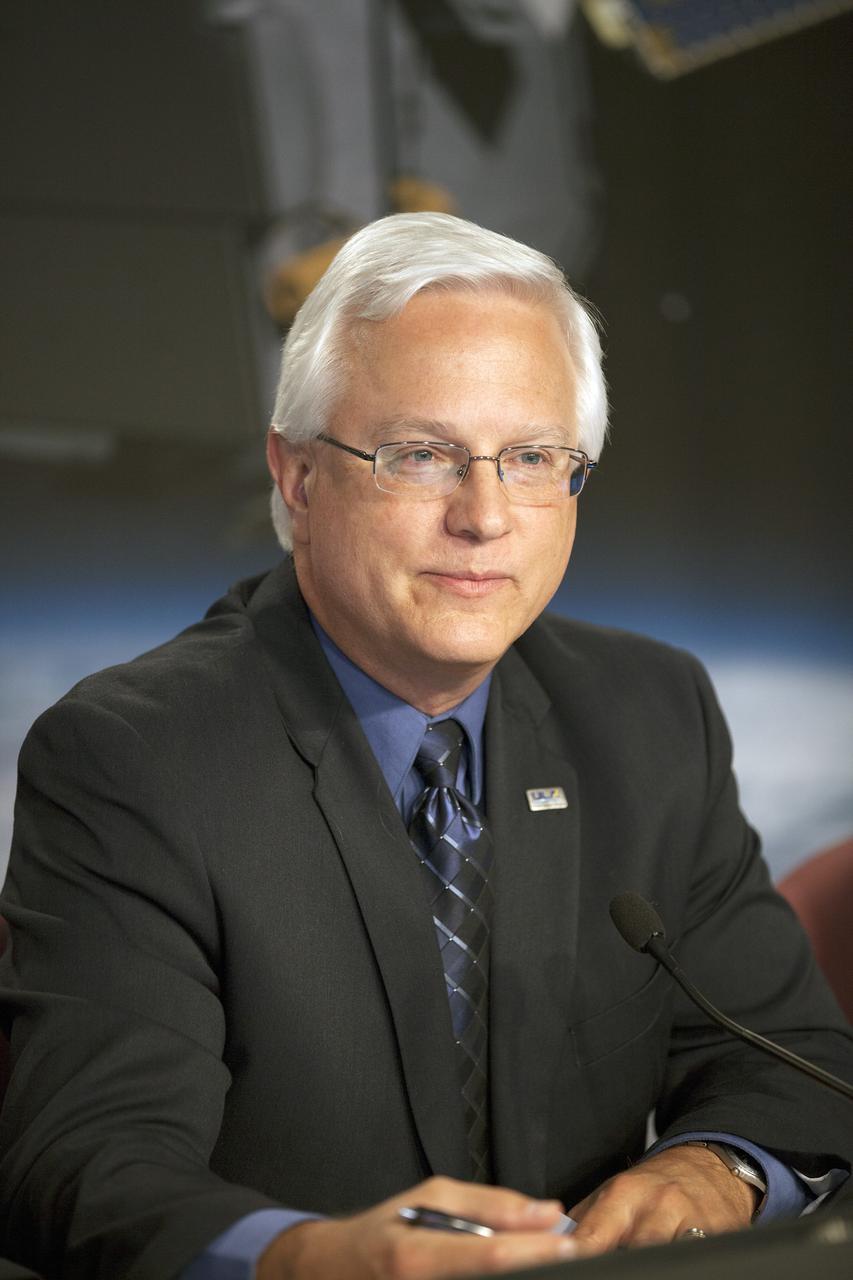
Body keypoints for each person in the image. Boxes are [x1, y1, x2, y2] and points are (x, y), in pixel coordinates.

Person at [1, 213, 851, 1280]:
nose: (485, 514)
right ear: (299, 476)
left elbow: (794, 1064)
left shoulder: (649, 711)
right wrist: (308, 1257)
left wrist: (714, 1169)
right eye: (421, 454)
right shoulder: (134, 759)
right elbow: (83, 1159)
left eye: (533, 456)